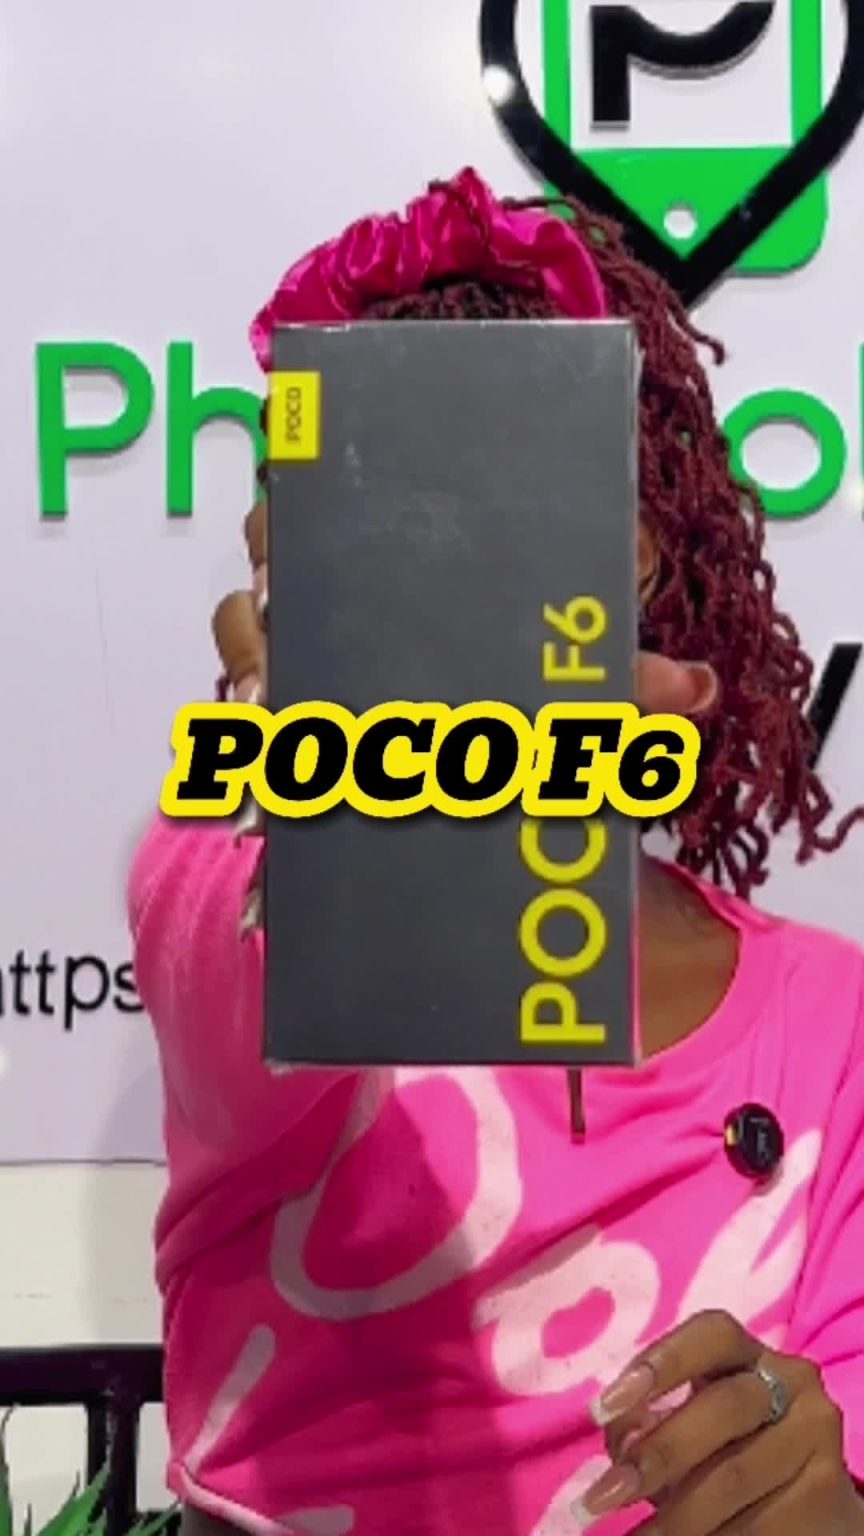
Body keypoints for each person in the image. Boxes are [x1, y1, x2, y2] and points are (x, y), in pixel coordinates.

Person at [129, 169, 864, 1536]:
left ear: (639, 553)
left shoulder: (826, 1018)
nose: (446, 560)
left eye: (508, 494)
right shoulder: (249, 877)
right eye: (383, 505)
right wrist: (313, 739)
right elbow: (238, 943)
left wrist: (818, 1495)